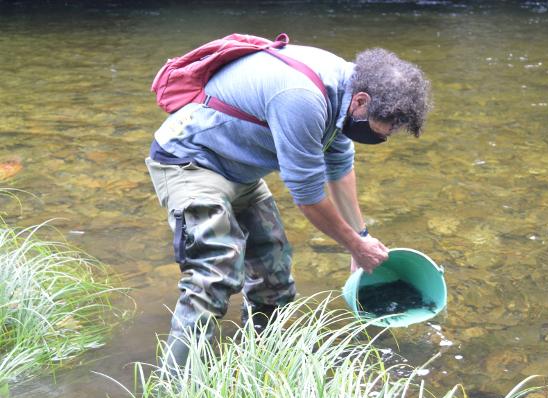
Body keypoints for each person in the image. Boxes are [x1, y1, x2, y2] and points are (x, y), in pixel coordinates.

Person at [145, 41, 431, 369]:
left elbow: (338, 166)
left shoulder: (346, 92)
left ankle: (262, 361)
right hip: (190, 161)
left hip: (239, 170)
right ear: (362, 102)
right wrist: (354, 244)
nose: (387, 135)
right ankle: (177, 387)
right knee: (214, 272)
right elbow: (308, 195)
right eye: (387, 127)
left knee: (275, 273)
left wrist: (360, 237)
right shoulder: (303, 98)